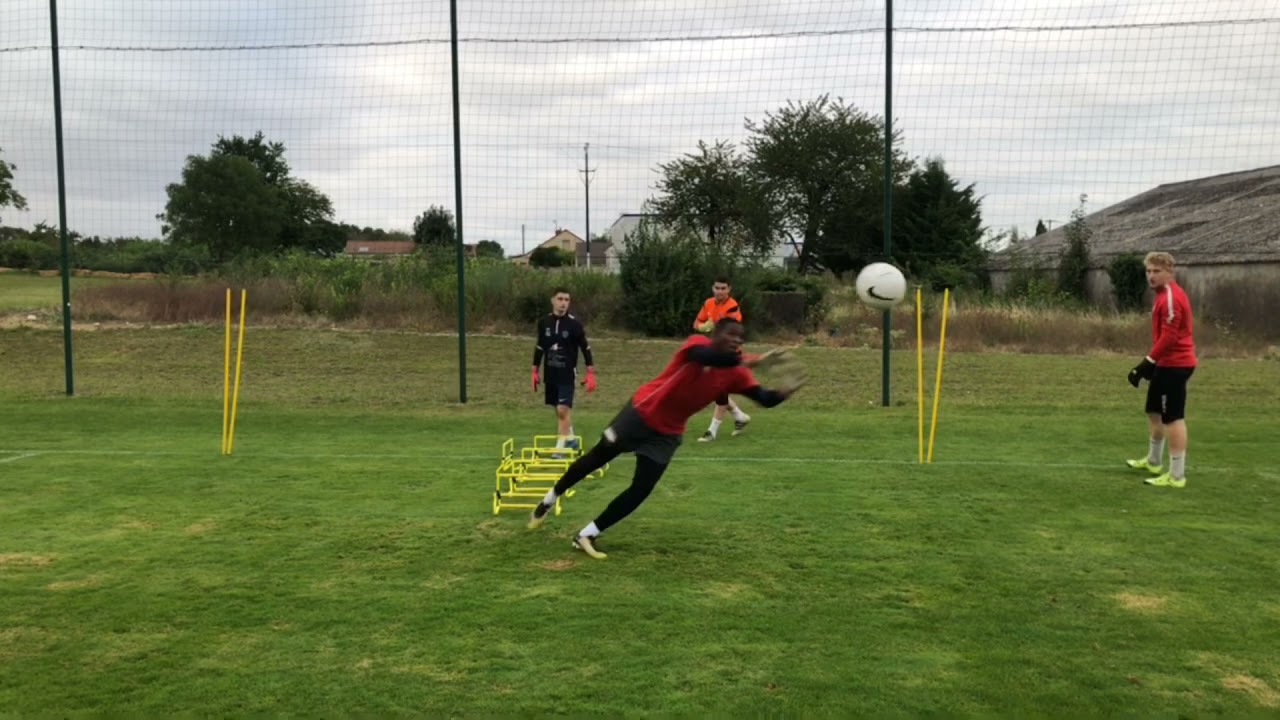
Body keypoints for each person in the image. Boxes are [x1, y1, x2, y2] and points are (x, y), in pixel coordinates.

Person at [527, 318, 801, 559]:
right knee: (598, 458)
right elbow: (707, 357)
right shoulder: (697, 345)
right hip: (641, 413)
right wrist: (754, 360)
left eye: (740, 338)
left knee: (641, 489)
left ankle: (587, 534)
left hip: (668, 433)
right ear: (716, 334)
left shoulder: (736, 371)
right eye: (730, 334)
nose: (736, 341)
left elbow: (763, 398)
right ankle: (550, 498)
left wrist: (786, 391)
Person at [1125, 251, 1197, 488]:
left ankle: (1176, 476)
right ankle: (1154, 461)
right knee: (1154, 411)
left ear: (1169, 272)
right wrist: (1153, 363)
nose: (1151, 275)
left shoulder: (1171, 297)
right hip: (1164, 363)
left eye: (1157, 271)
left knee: (1172, 418)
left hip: (1176, 365)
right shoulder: (1161, 295)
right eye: (1148, 271)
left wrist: (1147, 362)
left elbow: (1170, 337)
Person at [531, 288, 597, 453]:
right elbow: (540, 346)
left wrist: (590, 372)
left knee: (562, 409)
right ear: (552, 300)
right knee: (557, 408)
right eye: (560, 299)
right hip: (550, 372)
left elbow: (585, 348)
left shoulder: (574, 325)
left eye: (566, 300)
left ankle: (560, 449)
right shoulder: (544, 322)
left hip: (567, 373)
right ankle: (571, 439)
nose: (563, 303)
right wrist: (534, 370)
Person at [693, 275, 753, 442]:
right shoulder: (708, 303)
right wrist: (703, 326)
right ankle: (739, 416)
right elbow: (696, 323)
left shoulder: (732, 306)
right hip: (715, 352)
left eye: (723, 288)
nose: (719, 291)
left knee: (719, 389)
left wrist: (713, 325)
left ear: (729, 289)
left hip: (730, 354)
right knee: (714, 388)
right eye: (717, 288)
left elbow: (728, 330)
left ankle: (712, 432)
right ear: (712, 288)